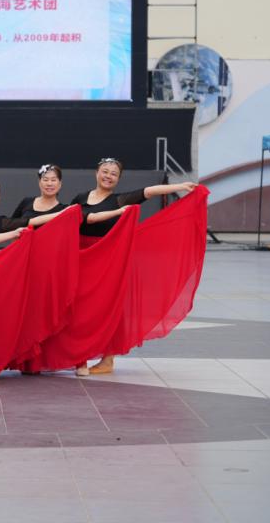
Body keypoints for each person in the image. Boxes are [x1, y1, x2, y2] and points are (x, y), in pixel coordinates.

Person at [71, 157, 197, 375]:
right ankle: (79, 356)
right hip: (82, 258)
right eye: (105, 171)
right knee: (79, 309)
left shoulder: (119, 200)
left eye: (113, 174)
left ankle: (107, 359)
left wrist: (180, 186)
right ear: (96, 173)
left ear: (118, 179)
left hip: (107, 261)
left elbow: (148, 191)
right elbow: (72, 222)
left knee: (109, 308)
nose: (108, 176)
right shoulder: (81, 198)